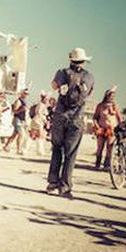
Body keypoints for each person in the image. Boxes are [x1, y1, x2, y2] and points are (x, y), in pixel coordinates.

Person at [46, 47, 95, 199]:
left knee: (56, 149)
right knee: (70, 154)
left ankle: (53, 182)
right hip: (76, 118)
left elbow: (54, 86)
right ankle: (65, 187)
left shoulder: (62, 72)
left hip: (60, 115)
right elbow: (88, 93)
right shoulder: (88, 76)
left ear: (70, 59)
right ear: (84, 61)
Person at [92, 86, 122, 170]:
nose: (112, 97)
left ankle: (107, 165)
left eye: (113, 96)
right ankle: (97, 164)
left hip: (111, 129)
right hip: (101, 128)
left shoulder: (115, 106)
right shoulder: (100, 106)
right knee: (100, 147)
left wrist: (121, 127)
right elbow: (95, 117)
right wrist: (96, 125)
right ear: (106, 95)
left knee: (109, 148)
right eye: (110, 95)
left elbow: (119, 118)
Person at [3, 89, 29, 155]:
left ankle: (6, 146)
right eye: (25, 93)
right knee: (22, 135)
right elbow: (14, 111)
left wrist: (25, 120)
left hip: (21, 120)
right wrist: (21, 109)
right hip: (17, 119)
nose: (26, 95)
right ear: (22, 93)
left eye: (27, 94)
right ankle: (19, 150)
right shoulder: (18, 101)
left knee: (14, 135)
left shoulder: (24, 102)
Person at [28, 91, 49, 156]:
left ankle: (26, 149)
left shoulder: (42, 105)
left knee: (34, 135)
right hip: (38, 121)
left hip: (38, 121)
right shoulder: (41, 105)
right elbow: (39, 113)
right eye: (46, 99)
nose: (47, 100)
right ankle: (40, 151)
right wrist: (45, 120)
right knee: (39, 136)